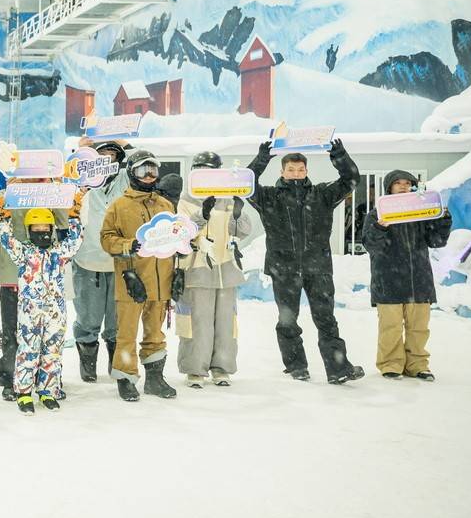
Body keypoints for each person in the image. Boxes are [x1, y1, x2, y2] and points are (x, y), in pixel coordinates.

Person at [248, 138, 365, 384]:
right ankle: (296, 366)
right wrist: (262, 158)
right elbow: (244, 184)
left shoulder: (322, 194)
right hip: (284, 268)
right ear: (282, 171)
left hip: (318, 268)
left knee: (326, 319)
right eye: (290, 169)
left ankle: (338, 368)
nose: (296, 173)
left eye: (300, 169)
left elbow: (351, 180)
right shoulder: (269, 197)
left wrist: (339, 155)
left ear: (307, 170)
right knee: (288, 320)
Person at [99, 150, 179, 402]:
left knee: (156, 331)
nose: (149, 176)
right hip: (131, 280)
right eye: (143, 170)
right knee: (127, 332)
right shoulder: (119, 206)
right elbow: (106, 238)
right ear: (131, 173)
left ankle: (155, 378)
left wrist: (178, 271)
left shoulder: (165, 205)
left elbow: (177, 238)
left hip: (161, 279)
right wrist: (127, 244)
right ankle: (126, 378)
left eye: (153, 170)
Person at [362, 171, 453, 381]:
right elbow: (371, 245)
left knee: (419, 328)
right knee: (391, 328)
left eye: (407, 183)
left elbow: (437, 241)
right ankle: (390, 364)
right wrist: (379, 228)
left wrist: (443, 219)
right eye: (397, 183)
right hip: (388, 281)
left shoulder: (422, 213)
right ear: (389, 187)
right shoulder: (377, 215)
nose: (403, 186)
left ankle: (417, 365)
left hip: (418, 281)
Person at [0, 181, 73, 401]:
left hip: (46, 275)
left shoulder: (51, 191)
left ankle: (50, 380)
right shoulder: (5, 193)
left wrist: (60, 197)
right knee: (13, 330)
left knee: (50, 333)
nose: (34, 178)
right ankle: (10, 380)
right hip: (12, 273)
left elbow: (64, 223)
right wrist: (5, 200)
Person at [174, 152, 252, 388]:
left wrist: (237, 213)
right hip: (197, 268)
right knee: (197, 323)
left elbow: (242, 231)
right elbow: (182, 232)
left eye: (210, 170)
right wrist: (202, 214)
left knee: (226, 324)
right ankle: (194, 370)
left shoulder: (228, 197)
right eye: (200, 169)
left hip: (226, 270)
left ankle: (222, 367)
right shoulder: (185, 199)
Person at [0, 207, 84, 415]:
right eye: (36, 228)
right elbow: (6, 240)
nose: (42, 232)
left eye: (46, 228)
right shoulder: (25, 253)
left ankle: (48, 390)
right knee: (28, 351)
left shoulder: (59, 253)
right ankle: (24, 392)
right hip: (30, 314)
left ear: (52, 229)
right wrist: (5, 218)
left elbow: (76, 239)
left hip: (56, 313)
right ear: (29, 231)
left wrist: (74, 216)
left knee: (52, 353)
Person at [70, 140, 130, 381]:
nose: (107, 159)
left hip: (119, 261)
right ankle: (88, 365)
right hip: (87, 260)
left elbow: (143, 164)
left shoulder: (127, 180)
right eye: (102, 154)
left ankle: (116, 364)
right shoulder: (79, 182)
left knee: (117, 320)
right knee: (88, 317)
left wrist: (128, 143)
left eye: (112, 155)